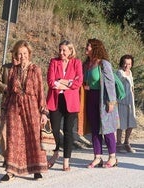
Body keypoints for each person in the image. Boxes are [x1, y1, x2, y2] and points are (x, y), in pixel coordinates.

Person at [0, 40, 48, 182]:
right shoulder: (12, 70)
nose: (22, 56)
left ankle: (37, 169)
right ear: (15, 55)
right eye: (19, 54)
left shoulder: (35, 69)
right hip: (14, 107)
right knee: (13, 138)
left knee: (33, 136)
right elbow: (9, 92)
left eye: (25, 53)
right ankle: (10, 170)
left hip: (32, 106)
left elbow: (40, 92)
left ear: (29, 54)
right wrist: (4, 109)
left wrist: (44, 112)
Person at [46, 40, 83, 171]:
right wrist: (68, 84)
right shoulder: (54, 62)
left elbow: (78, 82)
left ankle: (66, 160)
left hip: (71, 102)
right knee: (54, 130)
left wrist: (61, 82)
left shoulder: (76, 63)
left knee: (68, 131)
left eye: (64, 50)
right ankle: (55, 153)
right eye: (60, 50)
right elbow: (51, 82)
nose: (61, 52)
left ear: (70, 51)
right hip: (55, 100)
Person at [83, 38, 119, 168]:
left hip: (104, 98)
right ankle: (97, 157)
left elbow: (110, 83)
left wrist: (111, 102)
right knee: (94, 128)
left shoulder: (103, 64)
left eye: (88, 46)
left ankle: (112, 157)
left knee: (107, 127)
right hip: (91, 97)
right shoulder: (87, 64)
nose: (86, 47)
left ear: (95, 48)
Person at [0, 54, 20, 167]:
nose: (14, 59)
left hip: (20, 106)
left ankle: (16, 157)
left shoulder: (26, 69)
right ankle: (6, 156)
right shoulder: (5, 68)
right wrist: (5, 88)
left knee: (17, 132)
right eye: (13, 56)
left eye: (17, 57)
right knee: (4, 131)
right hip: (6, 104)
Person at [116, 55, 137, 153]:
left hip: (130, 101)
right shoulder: (119, 72)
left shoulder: (130, 72)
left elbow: (131, 85)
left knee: (131, 122)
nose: (126, 66)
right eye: (125, 63)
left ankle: (126, 142)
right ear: (121, 63)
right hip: (122, 101)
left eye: (129, 64)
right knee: (121, 123)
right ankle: (118, 144)